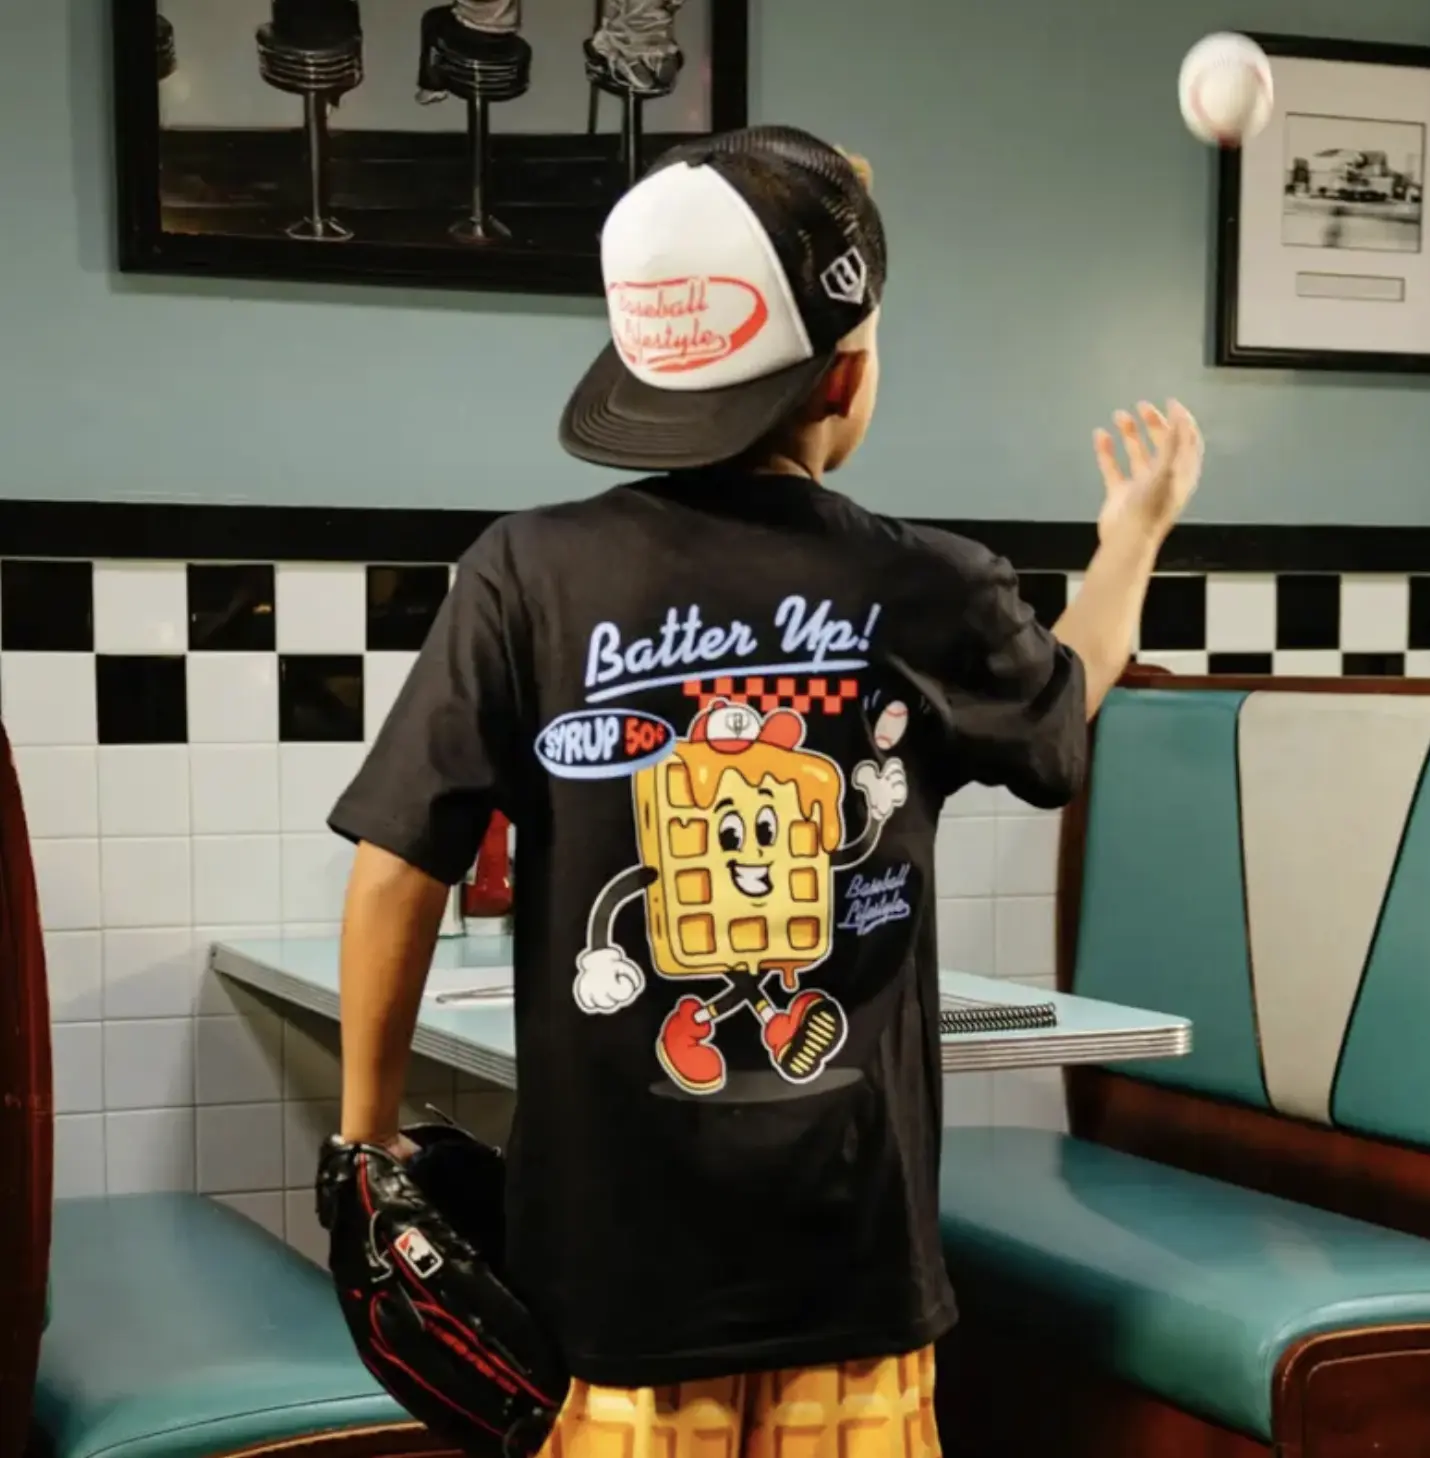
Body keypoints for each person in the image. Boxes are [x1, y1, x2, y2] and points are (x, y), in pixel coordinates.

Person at [326, 124, 1204, 1458]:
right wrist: (1131, 540)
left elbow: (400, 858)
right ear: (846, 373)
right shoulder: (932, 584)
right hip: (851, 1267)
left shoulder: (524, 573)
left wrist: (364, 1139)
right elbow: (1062, 706)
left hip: (608, 1287)